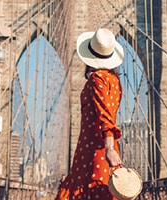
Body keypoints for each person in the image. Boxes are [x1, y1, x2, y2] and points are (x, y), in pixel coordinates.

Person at [55, 28, 124, 200]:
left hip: (94, 148)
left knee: (91, 190)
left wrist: (108, 148)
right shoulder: (115, 81)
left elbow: (105, 114)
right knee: (103, 191)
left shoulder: (97, 79)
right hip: (102, 146)